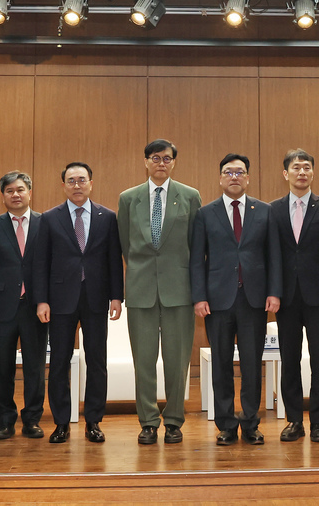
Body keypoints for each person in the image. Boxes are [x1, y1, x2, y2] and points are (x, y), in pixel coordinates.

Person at [191, 153, 282, 446]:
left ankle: (251, 423)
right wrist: (199, 297)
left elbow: (274, 256)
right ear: (220, 178)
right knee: (221, 364)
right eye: (229, 172)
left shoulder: (265, 211)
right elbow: (197, 259)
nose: (234, 177)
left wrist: (274, 292)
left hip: (254, 299)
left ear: (248, 178)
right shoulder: (205, 213)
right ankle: (227, 424)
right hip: (217, 301)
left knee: (252, 364)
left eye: (239, 172)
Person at [117, 140, 202, 445]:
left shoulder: (189, 196)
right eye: (155, 158)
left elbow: (196, 245)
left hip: (179, 290)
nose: (161, 163)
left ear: (174, 162)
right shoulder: (129, 198)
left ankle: (175, 420)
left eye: (167, 158)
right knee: (143, 360)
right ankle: (148, 421)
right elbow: (125, 244)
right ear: (146, 162)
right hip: (141, 290)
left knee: (177, 360)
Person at [32, 161, 123, 444]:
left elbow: (114, 260)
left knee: (96, 361)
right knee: (59, 362)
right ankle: (61, 422)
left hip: (96, 297)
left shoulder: (107, 217)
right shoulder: (49, 218)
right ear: (63, 186)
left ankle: (93, 421)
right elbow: (40, 263)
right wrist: (41, 300)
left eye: (82, 180)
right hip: (60, 300)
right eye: (71, 181)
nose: (77, 185)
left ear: (91, 184)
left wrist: (117, 296)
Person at [269, 148, 319, 444]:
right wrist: (273, 292)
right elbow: (271, 255)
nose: (302, 172)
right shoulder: (273, 209)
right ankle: (294, 421)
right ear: (285, 173)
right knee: (289, 360)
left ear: (313, 173)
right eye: (296, 167)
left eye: (307, 167)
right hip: (286, 299)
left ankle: (318, 422)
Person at [0, 171, 49, 441]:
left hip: (35, 307)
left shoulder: (45, 222)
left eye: (20, 190)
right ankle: (5, 421)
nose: (15, 195)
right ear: (3, 196)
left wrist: (45, 300)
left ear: (30, 193)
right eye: (10, 191)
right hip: (1, 307)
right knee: (3, 367)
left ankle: (32, 419)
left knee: (35, 367)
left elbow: (50, 265)